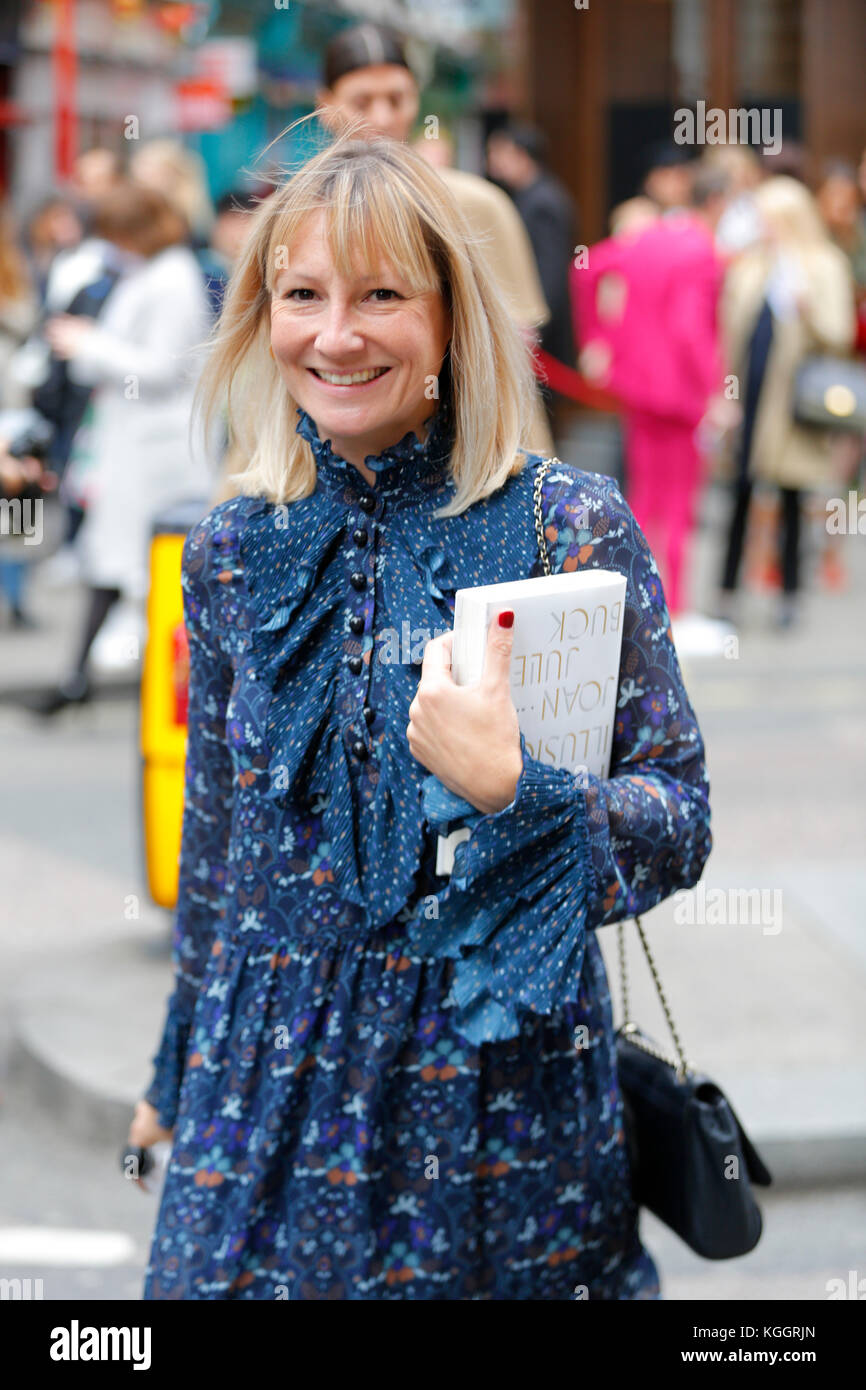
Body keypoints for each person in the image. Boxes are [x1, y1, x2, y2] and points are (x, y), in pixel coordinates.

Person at [129, 130, 712, 1301]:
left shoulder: (568, 527)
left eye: (380, 295)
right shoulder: (234, 549)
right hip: (267, 1094)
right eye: (302, 295)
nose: (333, 336)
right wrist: (174, 1068)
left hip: (493, 1101)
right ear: (261, 312)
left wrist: (518, 793)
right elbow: (218, 849)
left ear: (449, 318)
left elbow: (680, 817)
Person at [314, 21, 555, 457]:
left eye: (396, 98)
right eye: (362, 100)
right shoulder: (299, 215)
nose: (382, 116)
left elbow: (516, 351)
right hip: (324, 451)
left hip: (463, 449)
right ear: (326, 106)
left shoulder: (476, 205)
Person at [34, 183, 214, 712]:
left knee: (141, 569)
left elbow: (161, 366)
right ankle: (82, 678)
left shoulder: (171, 281)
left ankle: (122, 683)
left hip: (155, 454)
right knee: (118, 567)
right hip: (133, 446)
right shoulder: (153, 274)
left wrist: (88, 344)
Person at [718, 176, 856, 626]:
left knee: (794, 496)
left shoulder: (824, 265)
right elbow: (729, 331)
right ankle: (726, 592)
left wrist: (805, 306)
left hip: (793, 405)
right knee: (739, 492)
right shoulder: (752, 265)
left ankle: (790, 596)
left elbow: (839, 334)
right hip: (749, 397)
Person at [486, 121, 578, 440]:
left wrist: (535, 324)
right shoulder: (529, 196)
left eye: (500, 152)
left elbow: (550, 270)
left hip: (540, 329)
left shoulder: (542, 201)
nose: (493, 160)